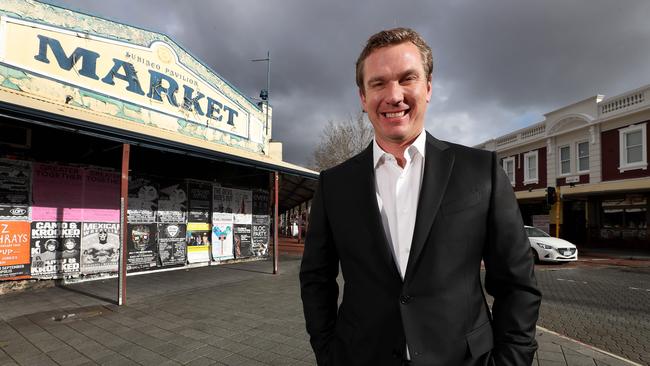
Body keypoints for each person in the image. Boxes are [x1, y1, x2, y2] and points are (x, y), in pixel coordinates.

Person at [300, 28, 541, 366]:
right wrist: (328, 354)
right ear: (362, 97)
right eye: (378, 83)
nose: (393, 95)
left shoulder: (479, 170)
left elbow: (517, 283)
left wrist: (511, 360)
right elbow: (316, 279)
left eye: (406, 78)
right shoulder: (334, 184)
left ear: (428, 87)